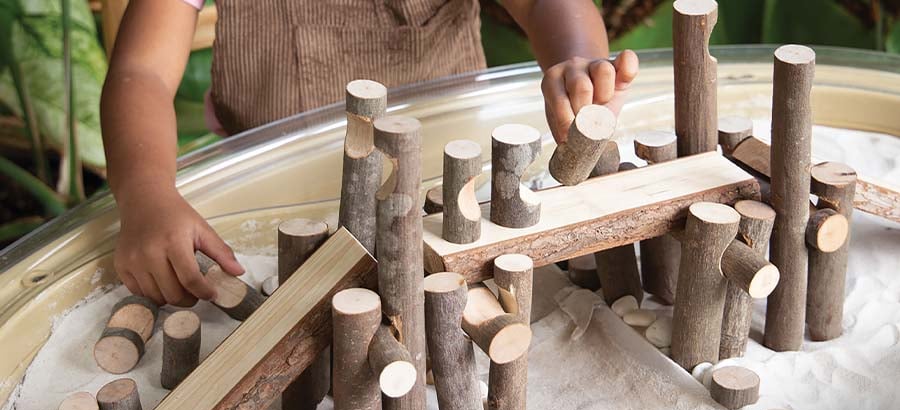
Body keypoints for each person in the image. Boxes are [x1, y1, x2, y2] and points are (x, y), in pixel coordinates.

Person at [101, 0, 639, 307]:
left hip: (445, 193)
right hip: (279, 208)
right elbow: (140, 73)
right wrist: (145, 194)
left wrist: (579, 63)